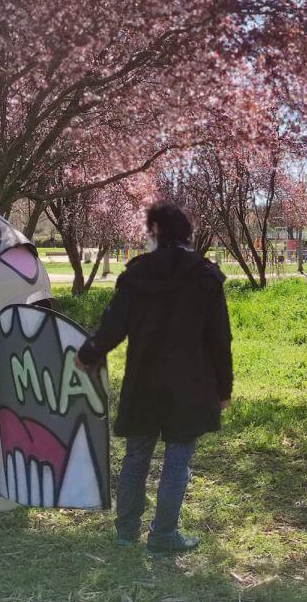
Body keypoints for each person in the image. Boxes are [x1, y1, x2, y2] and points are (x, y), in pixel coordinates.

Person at [77, 202, 233, 553]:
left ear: (153, 231)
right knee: (177, 462)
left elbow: (113, 325)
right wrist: (223, 387)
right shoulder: (205, 276)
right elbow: (220, 339)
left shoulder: (137, 274)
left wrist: (89, 353)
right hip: (189, 385)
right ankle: (163, 535)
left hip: (143, 381)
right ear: (187, 233)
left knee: (136, 457)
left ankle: (126, 531)